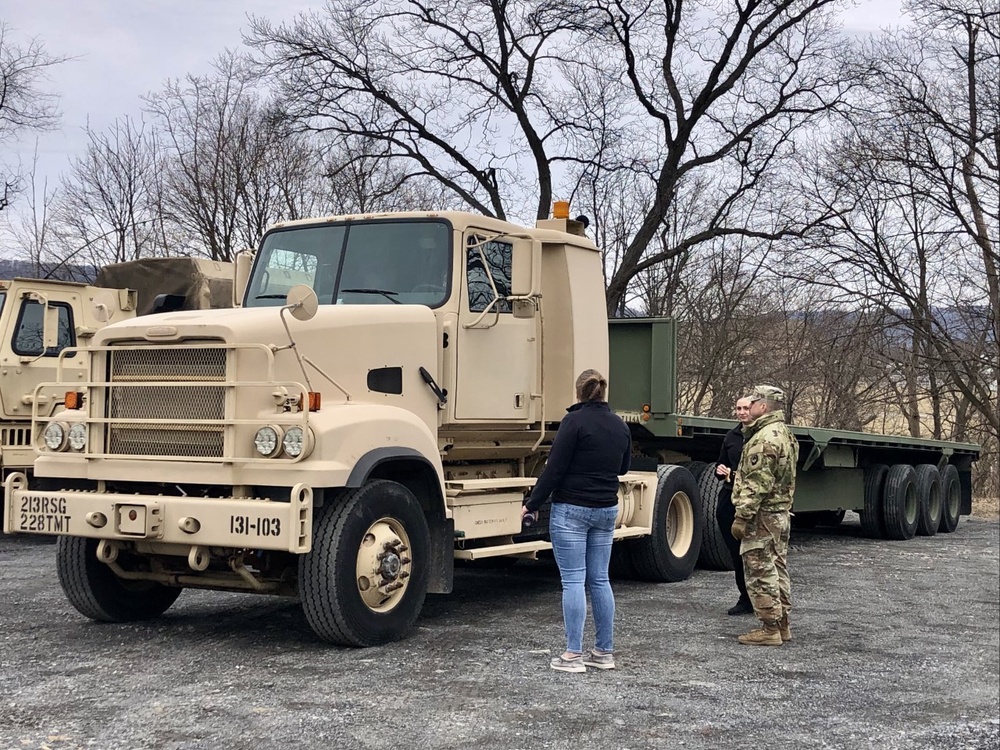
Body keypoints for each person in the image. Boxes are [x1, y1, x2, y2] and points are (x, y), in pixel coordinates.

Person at [522, 369, 632, 673]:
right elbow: (623, 467)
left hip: (572, 509)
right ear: (602, 393)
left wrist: (531, 504)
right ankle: (603, 653)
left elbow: (554, 470)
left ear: (579, 393)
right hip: (606, 509)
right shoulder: (620, 425)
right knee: (600, 579)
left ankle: (573, 655)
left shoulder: (573, 422)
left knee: (572, 580)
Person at [730, 385, 799, 646]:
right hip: (779, 513)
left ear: (763, 406)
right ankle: (782, 625)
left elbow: (758, 482)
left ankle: (770, 628)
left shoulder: (764, 438)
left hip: (763, 516)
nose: (750, 404)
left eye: (755, 401)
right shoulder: (784, 434)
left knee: (760, 571)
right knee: (777, 568)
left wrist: (742, 516)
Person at [714, 396, 753, 615]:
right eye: (738, 408)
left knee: (754, 553)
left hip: (749, 500)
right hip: (729, 499)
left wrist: (734, 475)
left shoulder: (759, 437)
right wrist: (720, 471)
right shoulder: (731, 436)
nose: (742, 412)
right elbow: (721, 465)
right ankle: (744, 598)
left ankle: (761, 599)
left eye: (746, 408)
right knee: (736, 553)